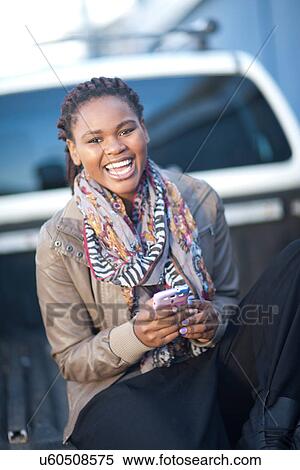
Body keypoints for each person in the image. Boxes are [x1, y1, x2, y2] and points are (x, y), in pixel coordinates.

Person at [35, 76, 300, 450]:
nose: (115, 148)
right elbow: (71, 359)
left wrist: (212, 321)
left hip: (207, 364)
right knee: (177, 445)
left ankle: (270, 437)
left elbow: (226, 299)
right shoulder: (60, 239)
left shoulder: (199, 199)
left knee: (295, 262)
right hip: (125, 391)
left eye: (126, 130)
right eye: (95, 140)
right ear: (74, 151)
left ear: (144, 130)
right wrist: (137, 336)